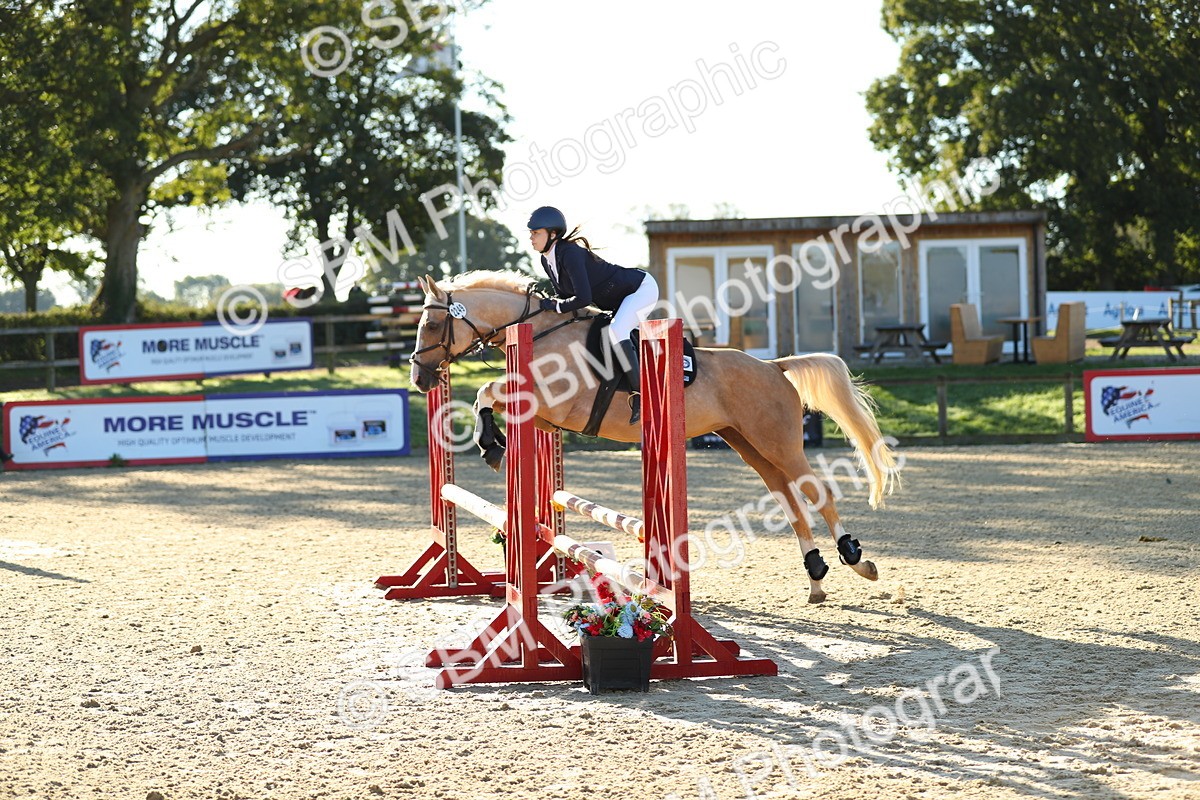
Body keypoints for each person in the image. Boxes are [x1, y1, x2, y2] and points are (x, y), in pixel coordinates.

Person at [527, 205, 660, 424]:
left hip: (640, 289)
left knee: (617, 330)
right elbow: (564, 297)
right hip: (618, 302)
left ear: (552, 234)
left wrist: (555, 306)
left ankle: (640, 395)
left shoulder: (569, 252)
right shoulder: (546, 259)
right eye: (531, 233)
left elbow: (583, 298)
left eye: (536, 233)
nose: (531, 238)